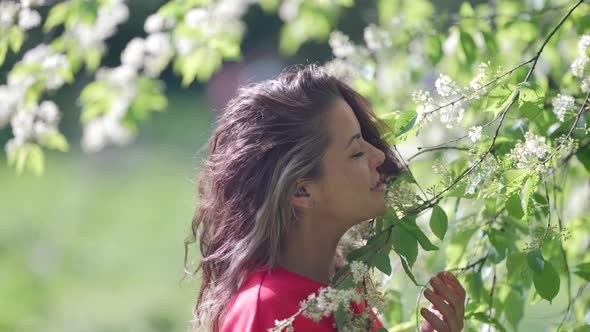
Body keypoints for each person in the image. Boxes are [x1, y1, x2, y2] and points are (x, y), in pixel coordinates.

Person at [184, 64, 466, 332]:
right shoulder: (267, 311)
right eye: (356, 152)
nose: (378, 156)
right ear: (301, 190)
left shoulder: (341, 291)